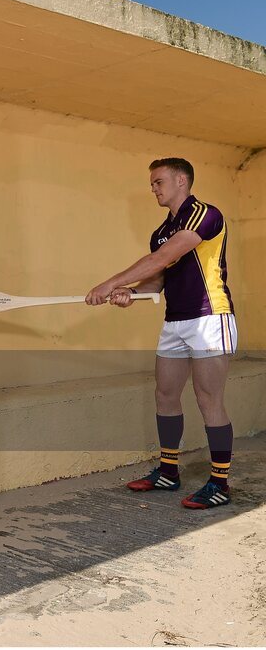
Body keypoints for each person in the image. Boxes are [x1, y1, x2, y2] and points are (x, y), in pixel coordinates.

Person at [86, 158, 236, 510]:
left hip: (209, 317)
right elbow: (157, 277)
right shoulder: (159, 231)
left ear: (181, 180)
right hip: (175, 321)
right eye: (152, 183)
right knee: (165, 394)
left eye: (158, 181)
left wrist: (111, 282)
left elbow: (167, 256)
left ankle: (220, 482)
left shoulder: (204, 214)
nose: (153, 188)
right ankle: (168, 471)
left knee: (207, 399)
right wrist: (130, 294)